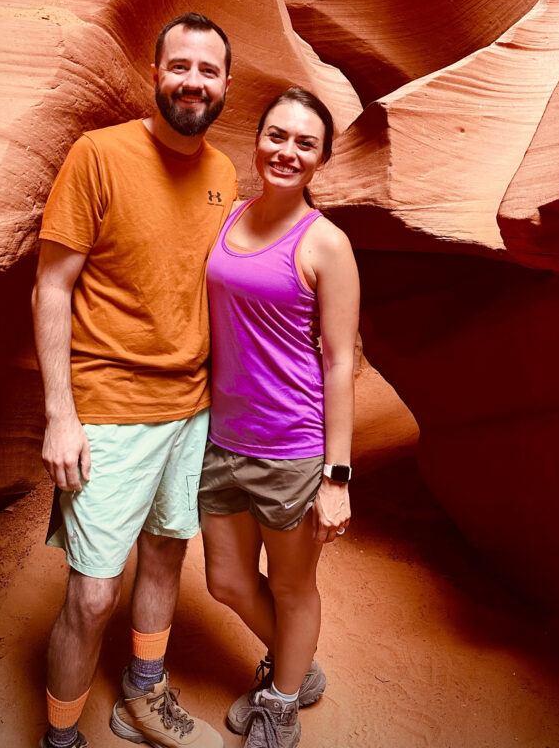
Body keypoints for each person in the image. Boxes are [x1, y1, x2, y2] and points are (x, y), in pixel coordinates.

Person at [32, 12, 237, 748]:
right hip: (110, 411)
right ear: (156, 74)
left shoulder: (222, 172)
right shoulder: (98, 155)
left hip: (191, 410)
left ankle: (141, 698)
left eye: (208, 71)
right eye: (180, 66)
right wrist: (61, 413)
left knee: (165, 552)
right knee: (91, 595)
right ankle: (60, 738)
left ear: (225, 85)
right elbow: (51, 288)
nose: (193, 81)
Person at [199, 87, 360, 748]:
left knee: (293, 589)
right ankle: (297, 663)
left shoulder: (327, 245)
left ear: (320, 160)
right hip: (220, 438)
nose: (286, 151)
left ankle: (283, 698)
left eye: (304, 143)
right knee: (226, 580)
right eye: (276, 135)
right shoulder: (225, 214)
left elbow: (340, 363)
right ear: (257, 139)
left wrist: (337, 477)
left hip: (291, 447)